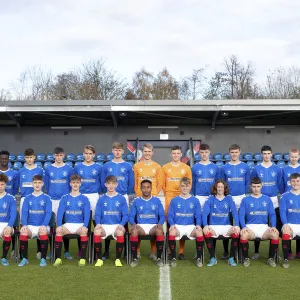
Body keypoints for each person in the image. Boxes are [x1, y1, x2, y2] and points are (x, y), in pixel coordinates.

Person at [101, 142, 134, 259]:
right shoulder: (106, 165)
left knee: (123, 223)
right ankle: (106, 250)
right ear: (112, 151)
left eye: (119, 150)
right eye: (115, 150)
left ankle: (125, 251)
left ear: (123, 151)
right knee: (107, 220)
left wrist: (124, 192)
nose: (117, 152)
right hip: (108, 195)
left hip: (122, 196)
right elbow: (102, 181)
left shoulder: (128, 165)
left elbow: (131, 183)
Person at [250, 145, 283, 259]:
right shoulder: (256, 168)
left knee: (274, 226)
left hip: (273, 200)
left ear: (272, 154)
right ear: (261, 155)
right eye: (264, 153)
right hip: (260, 199)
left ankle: (274, 253)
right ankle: (256, 252)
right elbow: (253, 181)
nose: (266, 155)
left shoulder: (277, 169)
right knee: (258, 224)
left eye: (268, 153)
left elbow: (279, 184)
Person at [239, 176, 279, 267]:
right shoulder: (245, 200)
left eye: (258, 186)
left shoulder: (267, 199)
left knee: (275, 234)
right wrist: (244, 227)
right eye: (254, 186)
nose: (256, 189)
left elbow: (272, 214)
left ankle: (271, 258)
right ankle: (246, 258)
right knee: (244, 235)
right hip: (250, 227)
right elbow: (241, 215)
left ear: (261, 186)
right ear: (250, 186)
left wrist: (273, 226)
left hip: (264, 227)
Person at [219, 144, 250, 259]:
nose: (234, 154)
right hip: (229, 198)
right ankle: (226, 251)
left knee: (241, 223)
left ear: (240, 152)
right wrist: (227, 196)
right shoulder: (224, 167)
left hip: (241, 197)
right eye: (232, 152)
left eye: (236, 152)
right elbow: (222, 183)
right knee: (227, 223)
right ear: (229, 153)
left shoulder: (245, 167)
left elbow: (247, 183)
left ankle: (241, 250)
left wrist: (243, 193)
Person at [53, 174, 90, 267]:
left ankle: (82, 259)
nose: (75, 184)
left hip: (80, 225)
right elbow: (60, 213)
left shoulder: (85, 198)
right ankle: (58, 258)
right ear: (70, 184)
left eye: (77, 183)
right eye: (73, 182)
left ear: (80, 184)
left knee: (84, 232)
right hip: (68, 225)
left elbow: (87, 214)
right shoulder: (65, 198)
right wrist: (60, 225)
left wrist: (85, 226)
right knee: (58, 231)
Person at [133, 143, 163, 260]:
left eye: (149, 151)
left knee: (154, 223)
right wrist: (138, 193)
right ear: (142, 152)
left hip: (153, 198)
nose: (147, 153)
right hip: (139, 198)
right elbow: (135, 182)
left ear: (152, 152)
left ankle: (153, 252)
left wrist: (154, 193)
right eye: (145, 151)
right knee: (137, 224)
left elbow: (160, 183)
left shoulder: (157, 167)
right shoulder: (136, 166)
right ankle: (138, 251)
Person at [162, 145, 192, 260]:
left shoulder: (186, 168)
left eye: (178, 153)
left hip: (183, 197)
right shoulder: (165, 167)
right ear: (171, 154)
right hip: (169, 197)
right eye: (173, 153)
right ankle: (170, 250)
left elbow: (189, 183)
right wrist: (168, 193)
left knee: (182, 220)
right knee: (170, 222)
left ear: (181, 155)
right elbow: (163, 184)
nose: (175, 155)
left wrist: (183, 194)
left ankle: (181, 251)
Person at [44, 146, 74, 259]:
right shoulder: (48, 169)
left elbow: (71, 184)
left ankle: (66, 251)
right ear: (54, 156)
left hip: (65, 200)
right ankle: (52, 251)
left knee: (64, 224)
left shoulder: (69, 169)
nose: (59, 157)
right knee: (52, 226)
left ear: (64, 155)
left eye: (61, 155)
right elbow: (46, 185)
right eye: (57, 155)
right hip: (52, 200)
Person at [202, 180, 240, 267]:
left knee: (236, 232)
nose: (220, 189)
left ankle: (231, 258)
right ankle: (212, 258)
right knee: (206, 232)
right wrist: (205, 225)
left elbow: (234, 212)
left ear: (224, 188)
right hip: (213, 226)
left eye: (222, 187)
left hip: (226, 226)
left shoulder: (229, 198)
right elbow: (205, 213)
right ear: (215, 188)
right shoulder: (210, 199)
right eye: (218, 187)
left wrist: (237, 225)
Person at [167, 177, 203, 267]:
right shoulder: (174, 200)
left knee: (199, 232)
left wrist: (198, 225)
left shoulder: (195, 200)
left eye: (187, 186)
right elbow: (170, 215)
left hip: (190, 226)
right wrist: (172, 224)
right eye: (183, 186)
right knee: (171, 231)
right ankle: (173, 257)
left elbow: (198, 215)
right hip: (178, 226)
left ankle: (199, 258)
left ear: (190, 187)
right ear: (180, 186)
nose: (185, 188)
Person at [129, 180, 165, 267]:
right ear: (141, 188)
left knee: (160, 231)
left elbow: (163, 215)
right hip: (141, 226)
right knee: (134, 231)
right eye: (144, 187)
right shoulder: (136, 201)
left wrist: (160, 223)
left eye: (148, 187)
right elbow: (131, 216)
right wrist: (133, 224)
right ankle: (135, 258)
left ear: (151, 188)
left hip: (153, 226)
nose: (146, 189)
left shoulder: (157, 201)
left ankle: (159, 258)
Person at [93, 175, 128, 267]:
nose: (111, 186)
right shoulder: (101, 199)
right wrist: (98, 224)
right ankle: (99, 259)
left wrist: (122, 224)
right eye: (109, 184)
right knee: (97, 231)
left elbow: (125, 215)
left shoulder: (121, 198)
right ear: (105, 185)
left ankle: (117, 259)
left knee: (120, 232)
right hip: (104, 225)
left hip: (117, 225)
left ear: (116, 184)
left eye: (113, 183)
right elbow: (97, 214)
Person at [18, 175, 52, 267]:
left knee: (43, 231)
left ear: (43, 184)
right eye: (35, 183)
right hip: (30, 226)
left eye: (39, 183)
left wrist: (44, 225)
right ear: (32, 184)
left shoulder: (47, 198)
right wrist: (24, 225)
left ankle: (43, 258)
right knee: (23, 232)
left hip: (42, 225)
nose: (37, 185)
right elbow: (24, 213)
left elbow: (48, 213)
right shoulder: (27, 198)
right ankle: (25, 258)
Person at [18, 148, 44, 259]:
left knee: (37, 222)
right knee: (23, 224)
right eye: (27, 157)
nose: (29, 159)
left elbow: (43, 184)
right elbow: (16, 185)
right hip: (25, 198)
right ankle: (22, 252)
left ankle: (39, 250)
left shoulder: (40, 170)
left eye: (31, 157)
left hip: (37, 198)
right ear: (25, 158)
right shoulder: (20, 171)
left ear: (34, 157)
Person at [74, 145, 102, 220]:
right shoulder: (77, 167)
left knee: (95, 217)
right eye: (86, 153)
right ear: (83, 154)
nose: (88, 155)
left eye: (90, 153)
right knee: (80, 217)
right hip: (81, 194)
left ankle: (95, 231)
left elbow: (101, 182)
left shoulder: (98, 167)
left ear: (94, 155)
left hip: (94, 195)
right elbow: (75, 182)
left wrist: (97, 193)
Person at [282, 149, 300, 259]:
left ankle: (298, 251)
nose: (294, 158)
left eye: (295, 156)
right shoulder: (284, 169)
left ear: (298, 156)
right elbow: (281, 183)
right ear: (289, 157)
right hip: (289, 198)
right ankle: (288, 252)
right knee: (288, 222)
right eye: (292, 156)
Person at [280, 173, 300, 268]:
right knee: (286, 231)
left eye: (298, 181)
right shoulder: (284, 196)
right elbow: (282, 212)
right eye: (293, 181)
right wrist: (285, 224)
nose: (295, 183)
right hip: (290, 224)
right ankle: (286, 259)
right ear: (290, 182)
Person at [192, 144, 220, 209]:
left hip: (211, 196)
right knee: (199, 217)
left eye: (206, 152)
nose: (204, 154)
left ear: (209, 152)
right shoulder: (194, 167)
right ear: (199, 153)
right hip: (199, 196)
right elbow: (193, 183)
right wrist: (196, 194)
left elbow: (217, 183)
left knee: (211, 218)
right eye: (202, 152)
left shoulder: (215, 167)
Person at [0, 174, 17, 267]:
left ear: (5, 185)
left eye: (2, 184)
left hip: (6, 224)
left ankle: (3, 257)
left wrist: (9, 226)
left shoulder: (11, 198)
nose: (0, 186)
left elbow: (13, 214)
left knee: (7, 232)